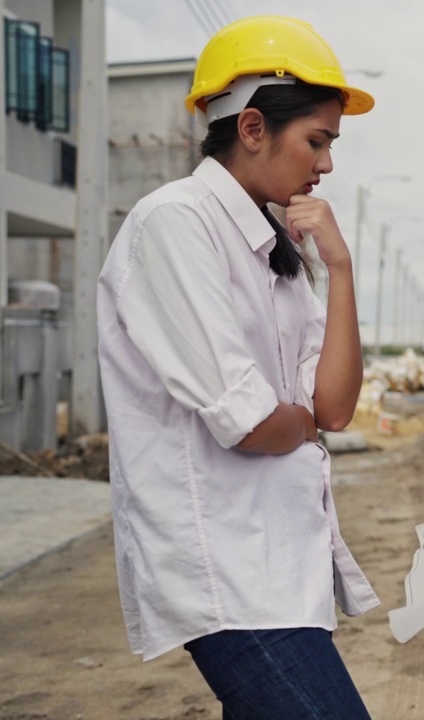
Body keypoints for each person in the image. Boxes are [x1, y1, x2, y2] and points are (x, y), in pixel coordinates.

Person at [98, 16, 378, 717]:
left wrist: (339, 266)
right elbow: (250, 422)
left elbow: (335, 408)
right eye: (317, 141)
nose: (327, 165)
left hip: (281, 568)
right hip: (227, 574)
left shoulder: (278, 245)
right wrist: (300, 420)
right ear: (252, 127)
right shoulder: (176, 224)